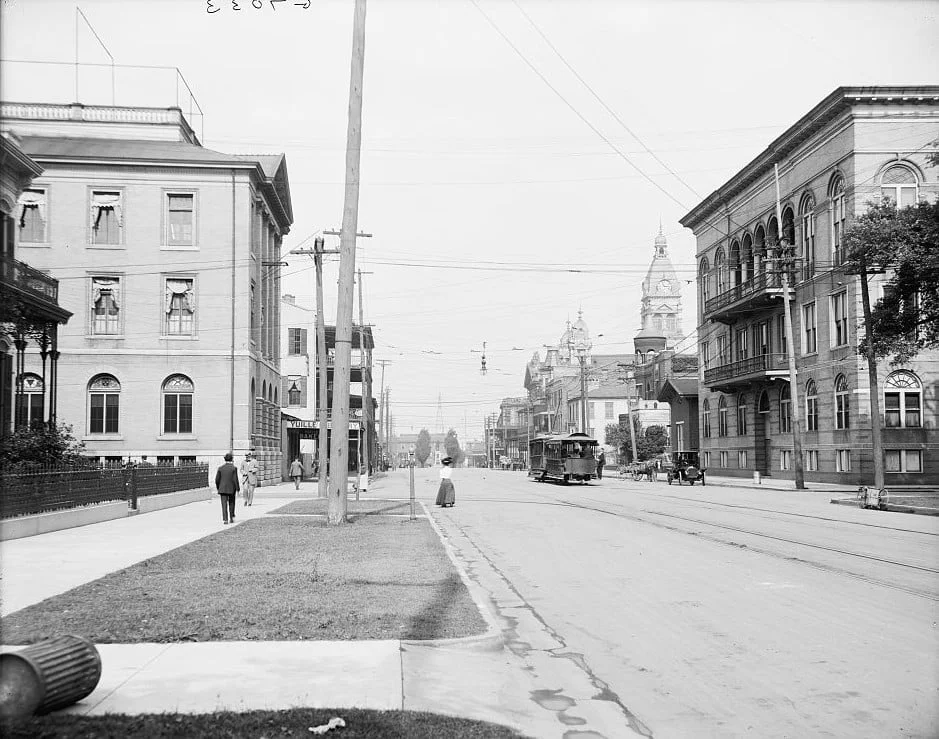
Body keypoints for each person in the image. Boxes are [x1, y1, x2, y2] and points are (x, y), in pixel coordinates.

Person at [215, 452, 240, 525]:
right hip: (231, 488)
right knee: (232, 503)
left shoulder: (220, 468)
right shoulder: (233, 468)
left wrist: (218, 487)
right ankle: (231, 517)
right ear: (232, 460)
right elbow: (235, 479)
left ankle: (225, 519)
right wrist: (237, 488)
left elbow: (217, 479)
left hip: (222, 488)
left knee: (223, 504)